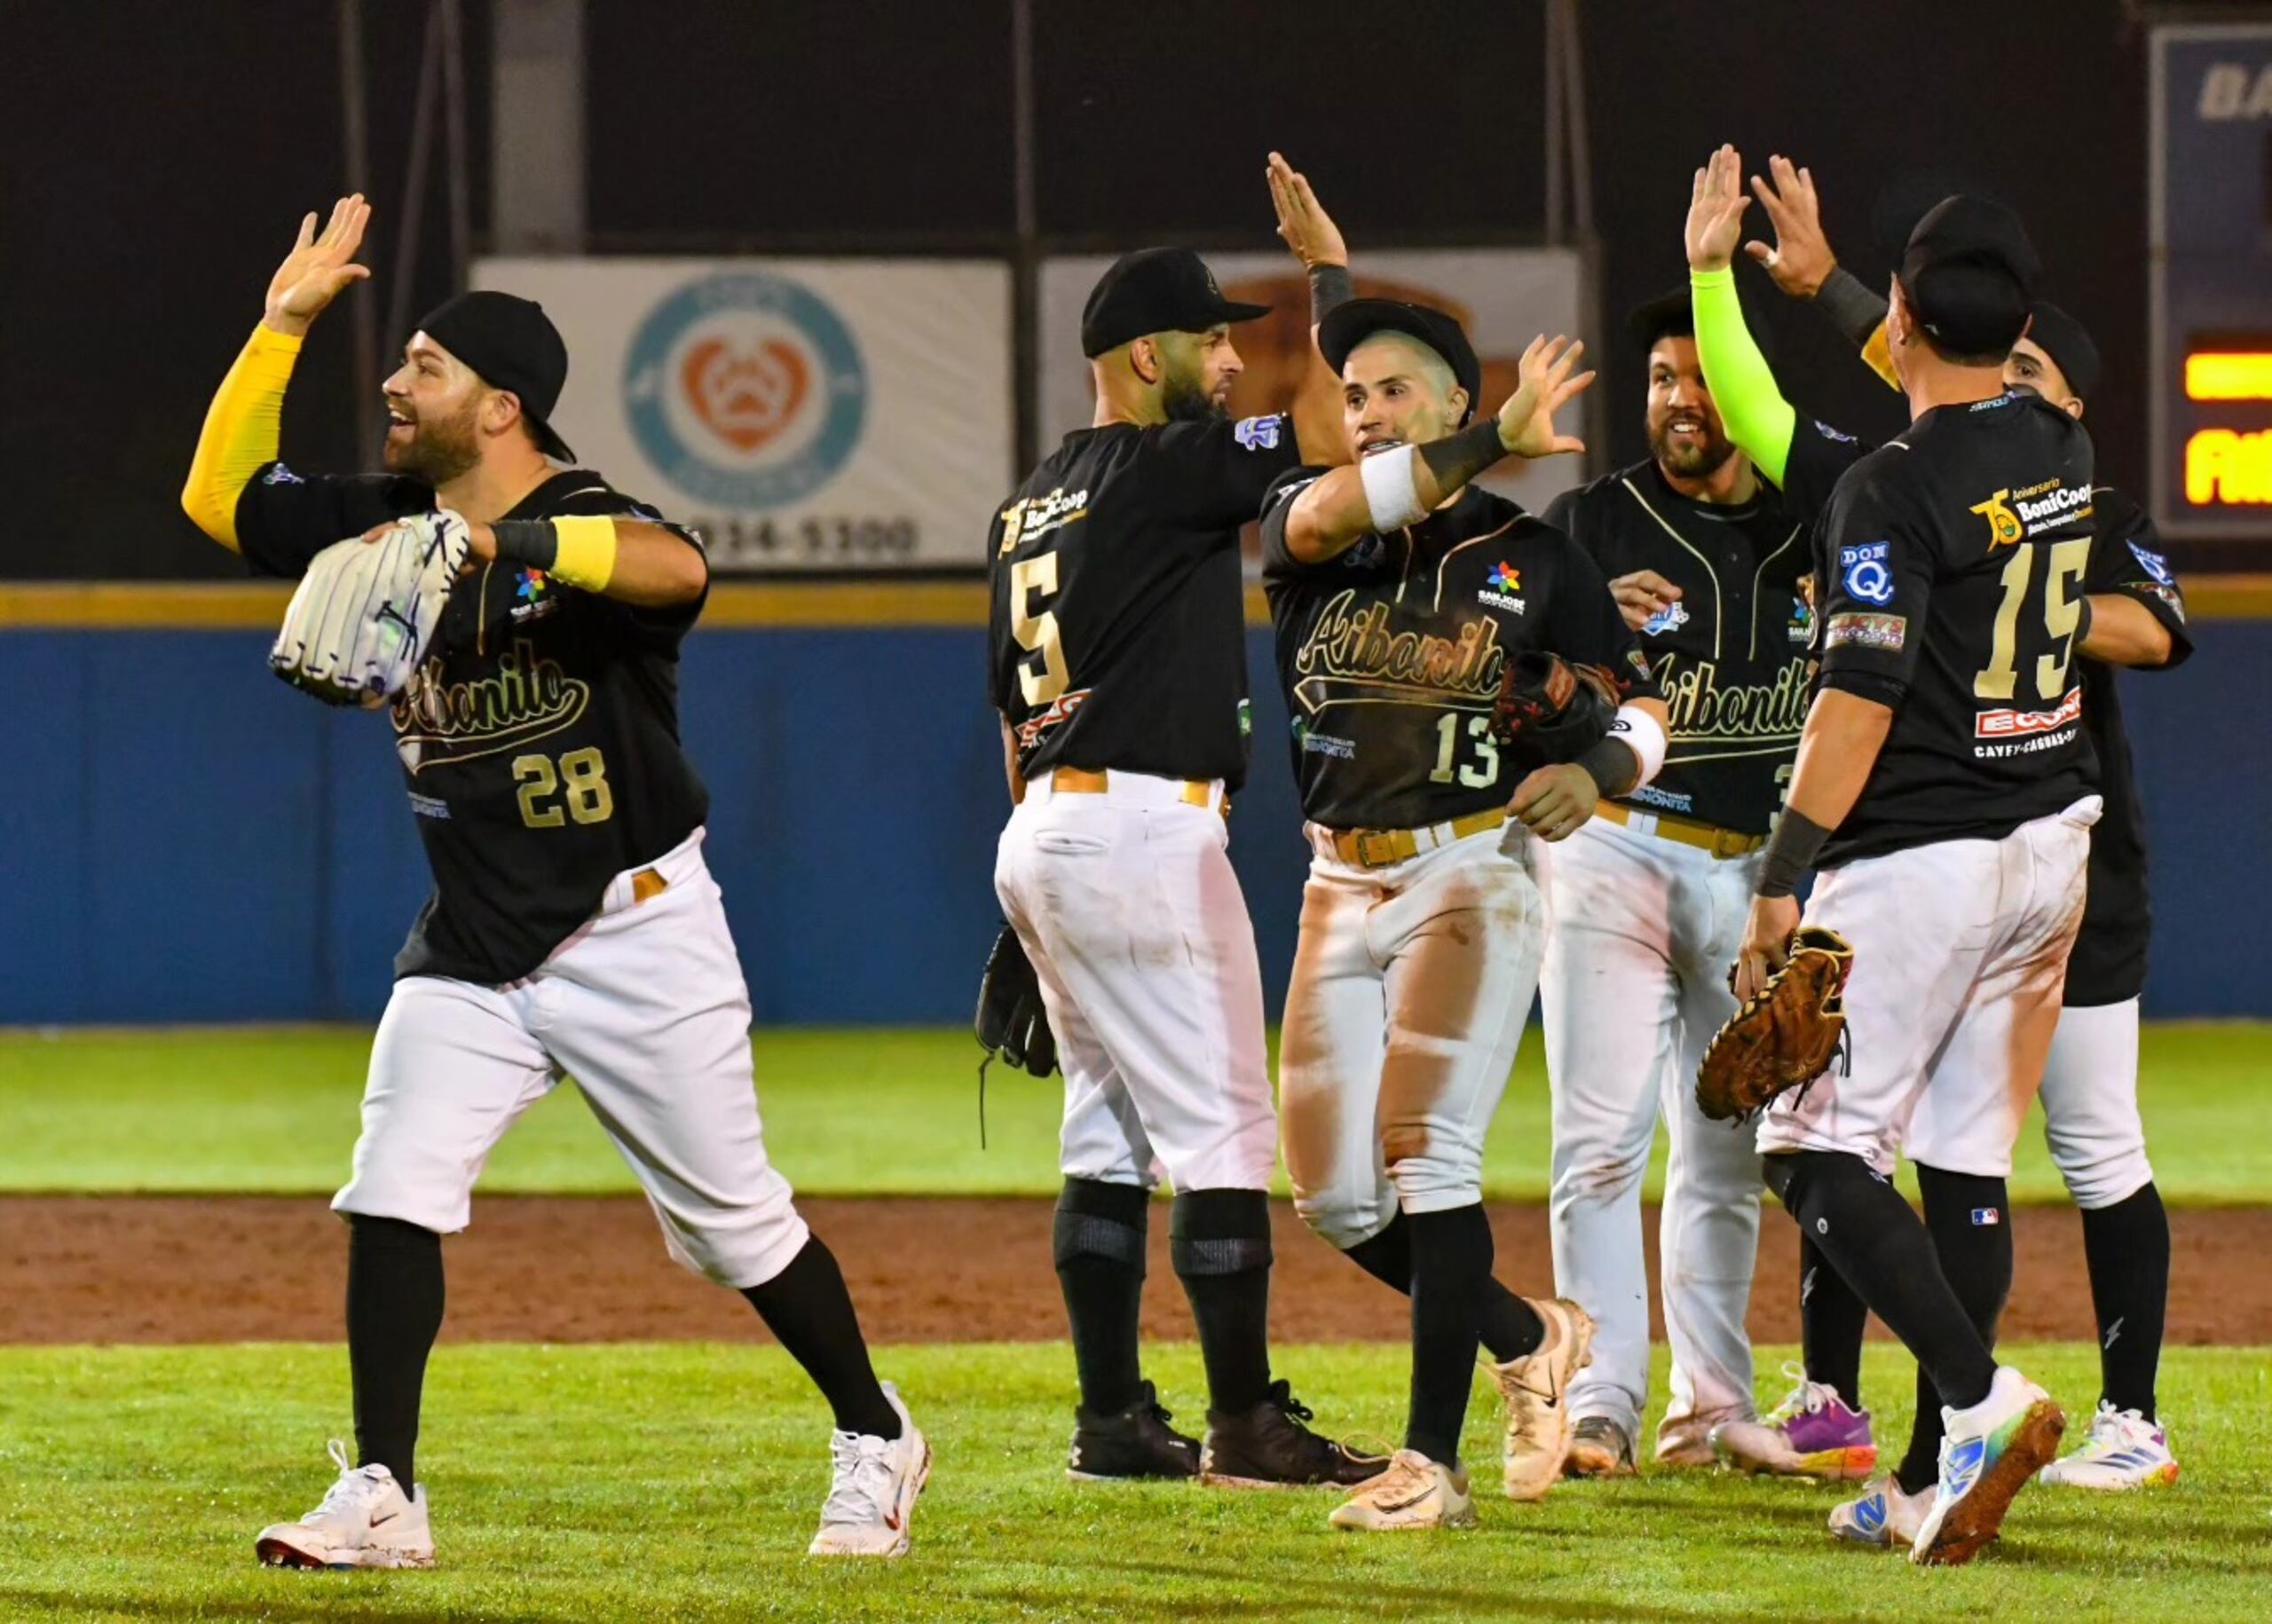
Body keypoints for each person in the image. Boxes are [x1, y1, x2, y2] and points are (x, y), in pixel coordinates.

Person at [181, 196, 927, 1565]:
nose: (398, 386)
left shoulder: (582, 518)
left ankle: (877, 1428)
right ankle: (389, 1494)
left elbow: (676, 564)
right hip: (473, 939)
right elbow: (219, 500)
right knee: (393, 1182)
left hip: (636, 929)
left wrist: (505, 546)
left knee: (735, 1229)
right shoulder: (392, 517)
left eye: (425, 367)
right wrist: (278, 328)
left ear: (503, 404)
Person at [1699, 154, 2192, 1504]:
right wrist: (1843, 292)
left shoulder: (1890, 490)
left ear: (1906, 317)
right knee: (1965, 1148)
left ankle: (1977, 1399)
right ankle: (1924, 1475)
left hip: (1927, 852)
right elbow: (1954, 368)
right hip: (2053, 843)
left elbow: (1855, 707)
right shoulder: (2064, 446)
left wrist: (1780, 875)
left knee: (1804, 1147)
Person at [985, 156, 1382, 1491]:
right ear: (1141, 352)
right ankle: (1246, 1424)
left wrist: (1023, 912)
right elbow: (1330, 442)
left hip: (1048, 823)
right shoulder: (1162, 472)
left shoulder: (1025, 502)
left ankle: (1111, 1422)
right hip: (1145, 831)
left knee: (1106, 1129)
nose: (1229, 358)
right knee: (1220, 1130)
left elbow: (1009, 714)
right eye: (1209, 337)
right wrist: (1327, 281)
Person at [1261, 297, 1671, 1530]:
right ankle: (1530, 1331)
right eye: (1354, 395)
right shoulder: (1312, 529)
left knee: (1425, 1154)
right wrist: (1491, 429)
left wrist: (1597, 771)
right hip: (1336, 879)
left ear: (1447, 403)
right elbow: (1347, 501)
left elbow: (1646, 710)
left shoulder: (1540, 559)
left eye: (1394, 390)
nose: (1367, 411)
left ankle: (1428, 1465)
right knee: (1334, 1200)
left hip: (1466, 869)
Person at [1532, 289, 1817, 1478]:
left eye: (1698, 378)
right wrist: (1584, 631)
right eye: (1659, 378)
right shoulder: (1594, 519)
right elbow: (1503, 666)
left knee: (1726, 1150)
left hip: (1757, 871)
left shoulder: (1820, 524)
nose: (1676, 400)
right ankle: (1599, 1397)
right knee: (1598, 1141)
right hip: (1617, 848)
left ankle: (1712, 1406)